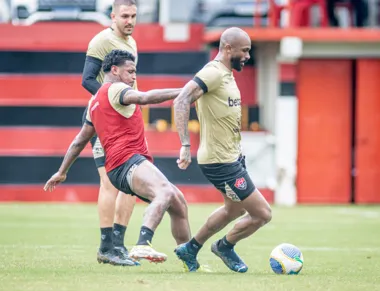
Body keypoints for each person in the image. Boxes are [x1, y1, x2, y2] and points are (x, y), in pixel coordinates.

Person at [45, 50, 191, 265]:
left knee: (178, 204)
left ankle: (189, 259)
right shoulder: (117, 89)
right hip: (127, 162)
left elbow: (80, 140)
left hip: (118, 168)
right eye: (130, 71)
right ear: (114, 70)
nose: (134, 76)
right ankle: (143, 243)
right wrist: (187, 91)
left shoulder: (93, 102)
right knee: (165, 191)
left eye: (135, 72)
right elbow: (146, 97)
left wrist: (62, 171)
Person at [173, 27, 272, 273]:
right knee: (262, 214)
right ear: (228, 48)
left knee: (234, 209)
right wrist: (185, 144)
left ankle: (191, 249)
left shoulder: (226, 74)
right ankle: (225, 246)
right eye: (245, 50)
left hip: (231, 157)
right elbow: (182, 99)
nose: (248, 55)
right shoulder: (212, 73)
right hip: (220, 161)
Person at [81, 0, 139, 264]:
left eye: (133, 16)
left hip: (127, 118)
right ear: (112, 16)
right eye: (124, 16)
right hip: (105, 118)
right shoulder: (101, 41)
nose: (130, 20)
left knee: (132, 183)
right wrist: (111, 101)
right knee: (109, 183)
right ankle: (106, 247)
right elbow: (87, 80)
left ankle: (118, 245)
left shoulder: (132, 43)